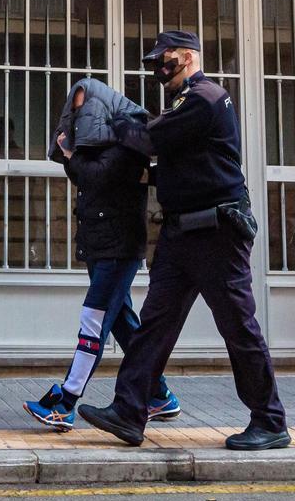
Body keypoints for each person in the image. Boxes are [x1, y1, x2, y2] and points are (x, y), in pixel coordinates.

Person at [79, 30, 290, 451]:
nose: (159, 68)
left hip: (216, 233)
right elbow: (180, 162)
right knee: (154, 324)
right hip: (181, 233)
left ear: (190, 57)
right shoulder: (185, 102)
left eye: (165, 58)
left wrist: (113, 121)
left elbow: (150, 140)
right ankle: (128, 411)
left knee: (238, 327)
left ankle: (269, 421)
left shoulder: (205, 97)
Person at [22, 78, 180, 432]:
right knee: (124, 324)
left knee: (93, 323)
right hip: (102, 246)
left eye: (82, 108)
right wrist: (72, 156)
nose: (77, 115)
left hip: (116, 249)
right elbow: (86, 175)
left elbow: (96, 177)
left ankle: (66, 401)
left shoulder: (127, 144)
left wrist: (70, 155)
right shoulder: (103, 145)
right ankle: (158, 394)